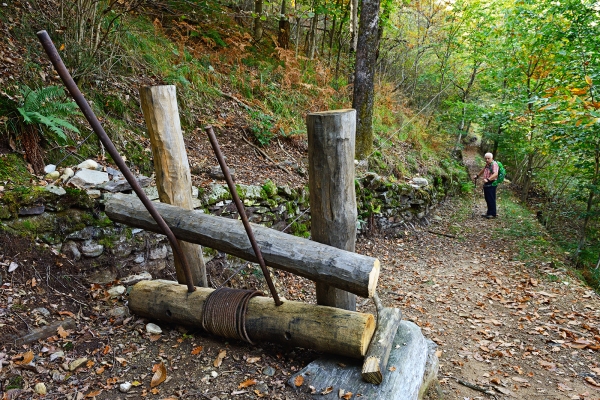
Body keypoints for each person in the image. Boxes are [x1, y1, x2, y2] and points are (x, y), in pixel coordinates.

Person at [473, 152, 499, 219]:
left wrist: (488, 179)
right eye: (486, 158)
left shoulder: (494, 164)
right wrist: (477, 175)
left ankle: (493, 214)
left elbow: (496, 173)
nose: (487, 160)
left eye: (488, 158)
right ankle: (489, 213)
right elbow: (483, 170)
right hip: (487, 183)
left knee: (491, 198)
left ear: (492, 158)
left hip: (492, 183)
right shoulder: (487, 164)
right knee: (487, 198)